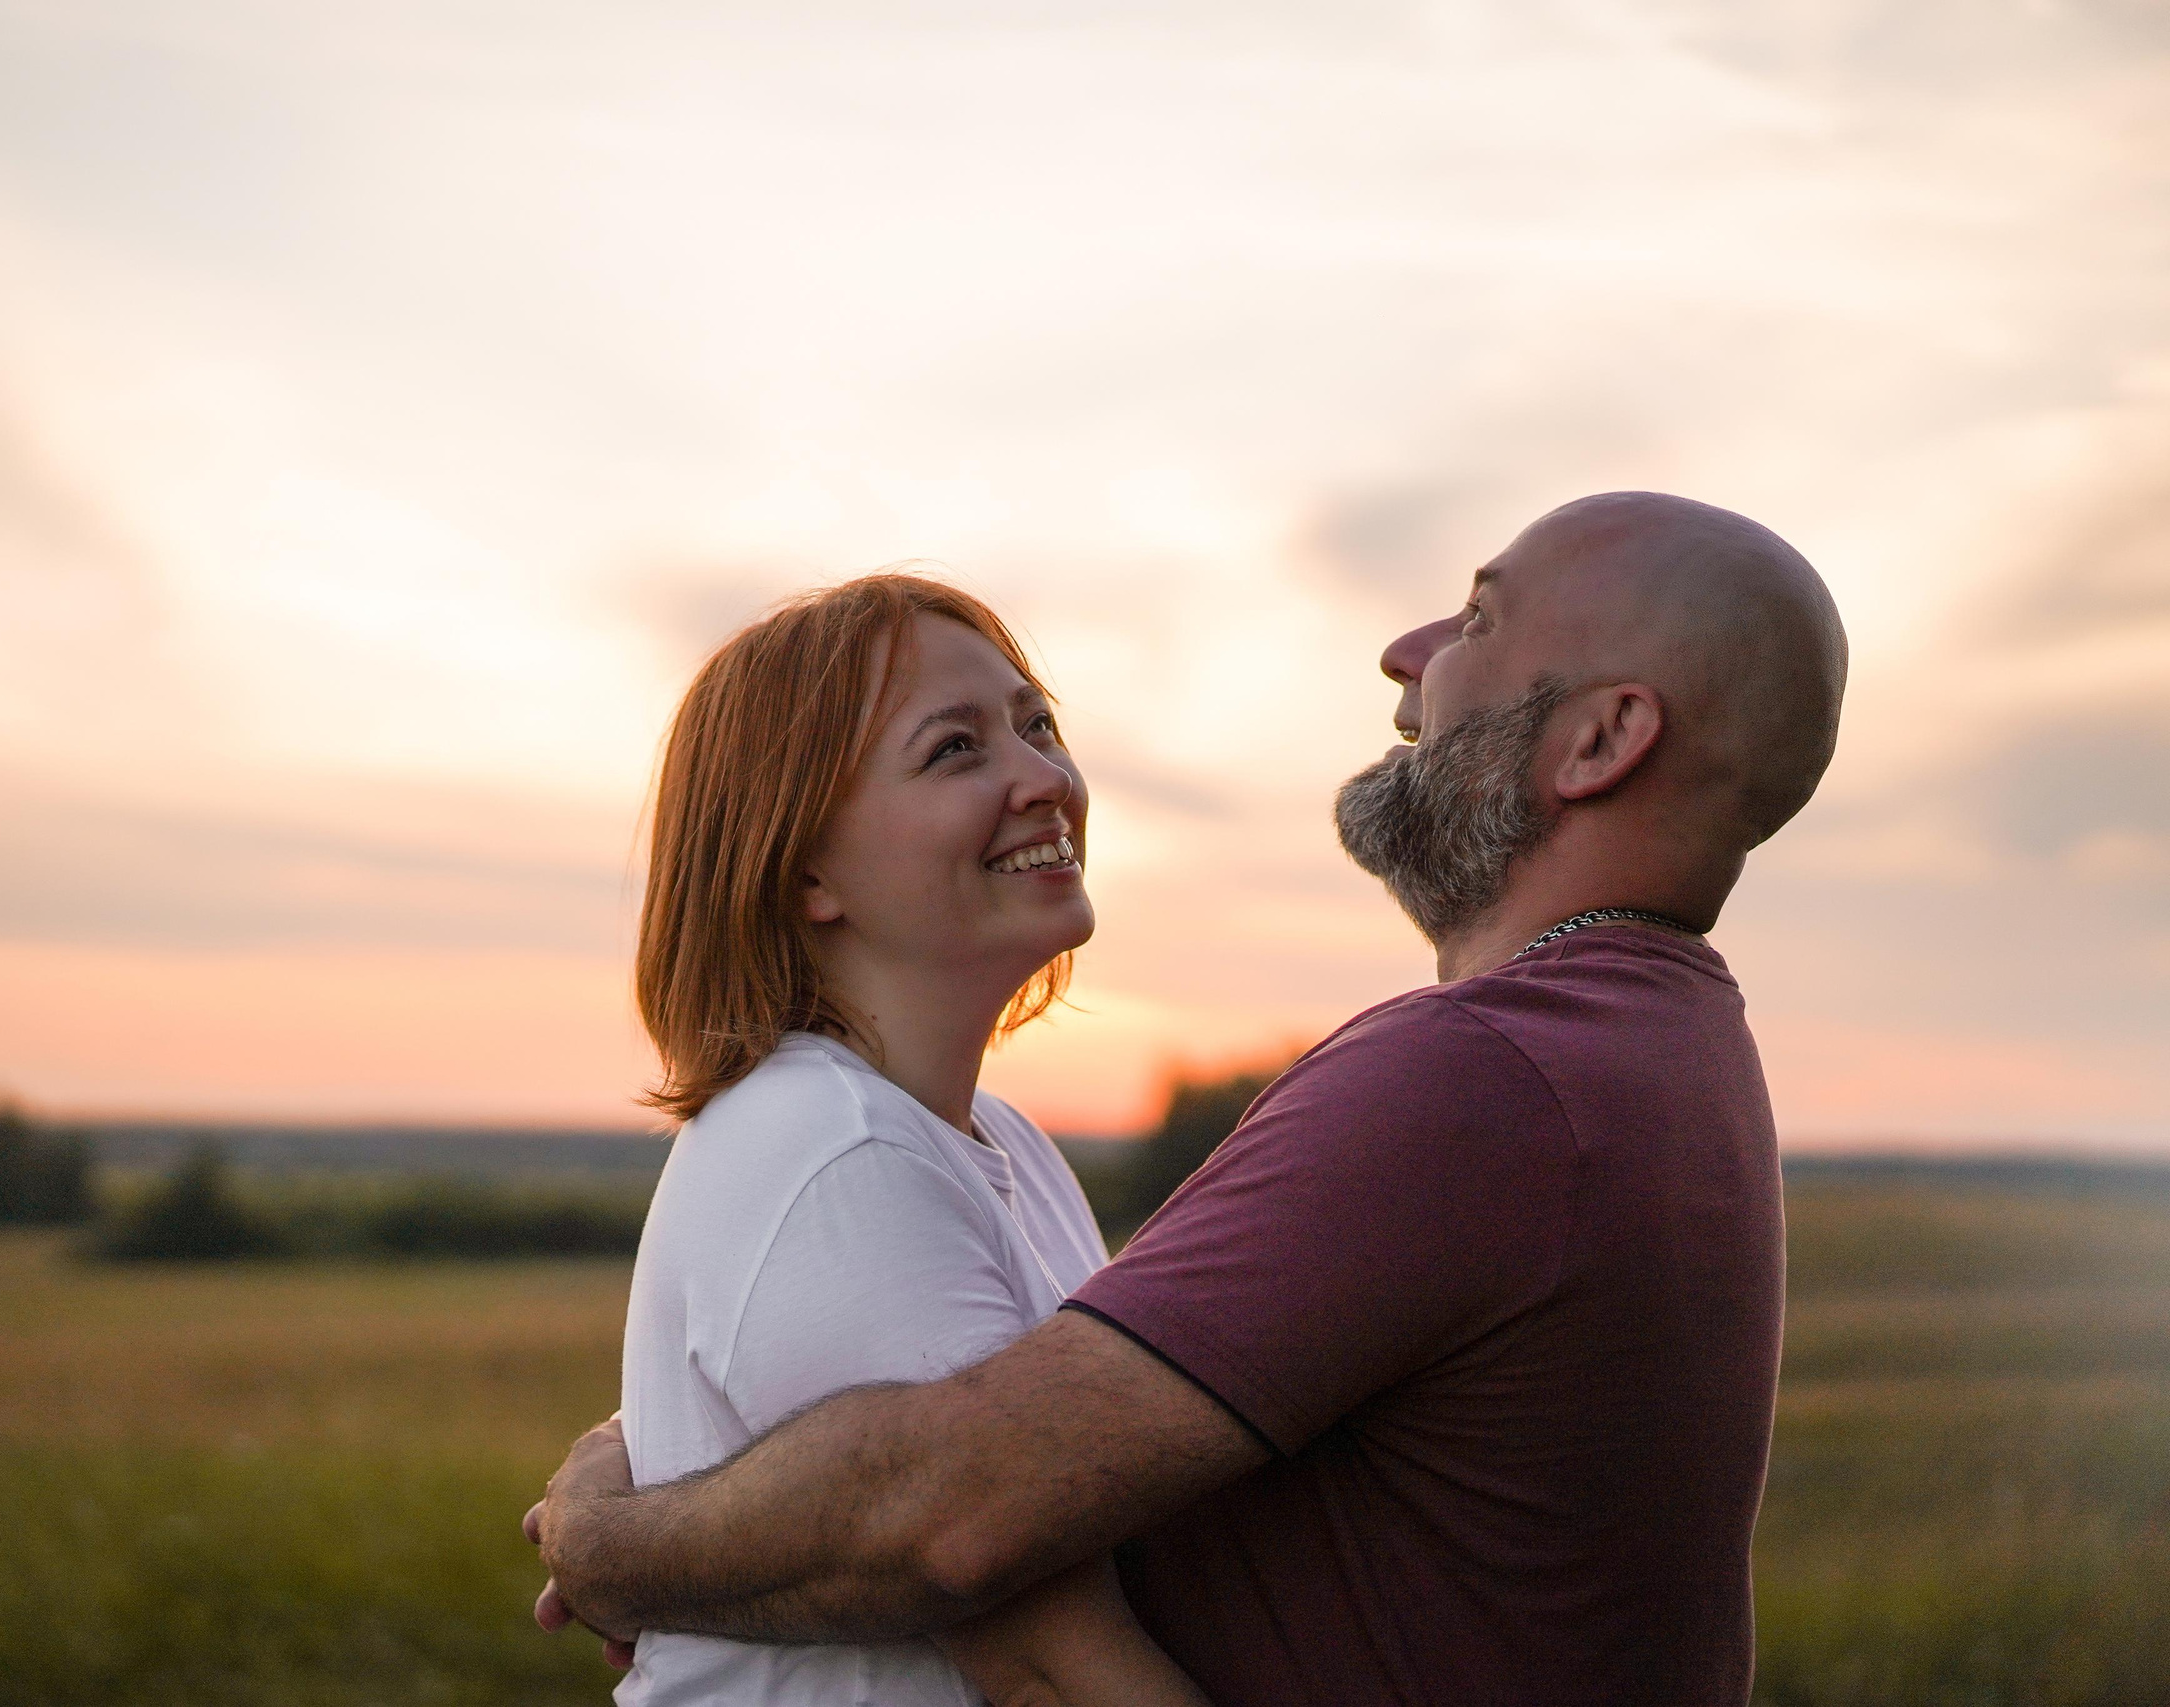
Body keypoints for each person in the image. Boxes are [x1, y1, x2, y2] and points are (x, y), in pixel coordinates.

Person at [526, 491, 1852, 1706]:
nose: (1407, 645)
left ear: (1604, 737)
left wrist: (610, 1538)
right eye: (956, 745)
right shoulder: (1659, 1049)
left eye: (1480, 617)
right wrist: (667, 1441)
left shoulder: (1486, 1078)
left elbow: (956, 1517)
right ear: (802, 866)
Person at [590, 572, 1211, 1706]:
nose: (1043, 781)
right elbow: (1045, 1664)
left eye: (1037, 726)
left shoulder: (999, 1142)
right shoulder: (833, 1149)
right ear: (804, 871)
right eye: (955, 750)